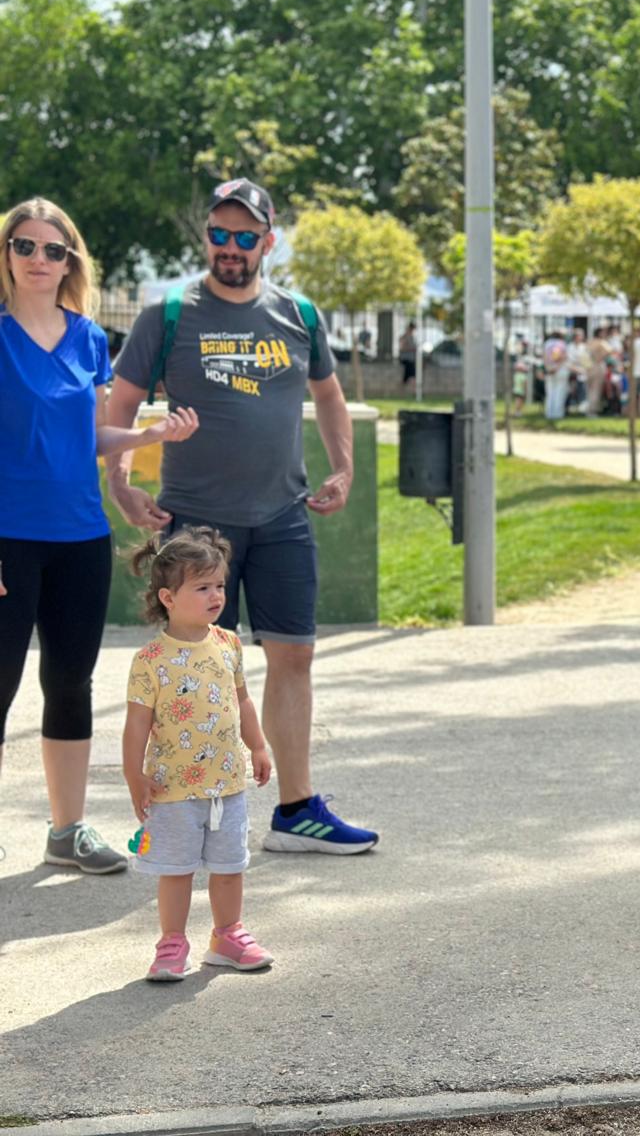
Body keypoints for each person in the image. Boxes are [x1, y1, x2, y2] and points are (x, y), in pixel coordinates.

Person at [106, 178, 378, 855]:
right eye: (218, 234)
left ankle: (295, 810)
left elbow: (331, 396)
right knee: (195, 671)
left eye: (244, 235)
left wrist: (343, 469)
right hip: (197, 524)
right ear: (207, 239)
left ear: (267, 240)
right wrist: (120, 484)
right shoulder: (169, 314)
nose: (230, 247)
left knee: (294, 658)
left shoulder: (298, 314)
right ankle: (187, 811)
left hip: (283, 515)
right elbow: (119, 403)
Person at [1, 197, 199, 873]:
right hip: (7, 536)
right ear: (6, 255)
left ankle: (66, 832)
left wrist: (147, 436)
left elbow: (91, 435)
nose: (37, 259)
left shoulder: (87, 337)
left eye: (52, 250)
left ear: (70, 261)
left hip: (79, 535)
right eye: (23, 246)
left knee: (70, 681)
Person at [122, 527, 275, 980]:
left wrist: (259, 744)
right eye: (203, 587)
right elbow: (136, 724)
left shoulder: (228, 644)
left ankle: (228, 936)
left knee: (230, 867)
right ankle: (172, 943)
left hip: (227, 783)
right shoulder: (151, 659)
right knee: (177, 870)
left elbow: (242, 699)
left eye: (220, 586)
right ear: (168, 597)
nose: (216, 595)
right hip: (172, 788)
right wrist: (134, 775)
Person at [541, 330, 570, 421]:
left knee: (550, 393)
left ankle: (549, 413)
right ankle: (557, 414)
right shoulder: (561, 344)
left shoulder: (546, 344)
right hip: (560, 370)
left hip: (549, 370)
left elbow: (545, 358)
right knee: (560, 392)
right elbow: (560, 357)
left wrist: (548, 368)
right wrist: (556, 367)